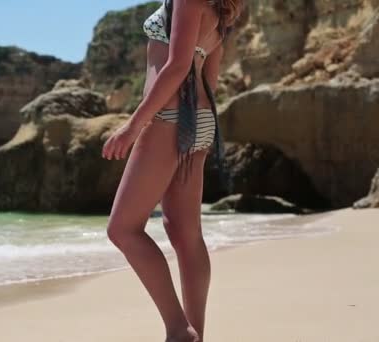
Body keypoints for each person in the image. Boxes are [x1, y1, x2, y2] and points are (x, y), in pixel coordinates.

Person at [101, 0, 243, 341]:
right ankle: (195, 333)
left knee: (122, 229)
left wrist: (134, 126)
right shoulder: (222, 7)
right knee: (185, 232)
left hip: (169, 119)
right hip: (200, 118)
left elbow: (178, 65)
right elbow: (209, 73)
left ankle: (179, 330)